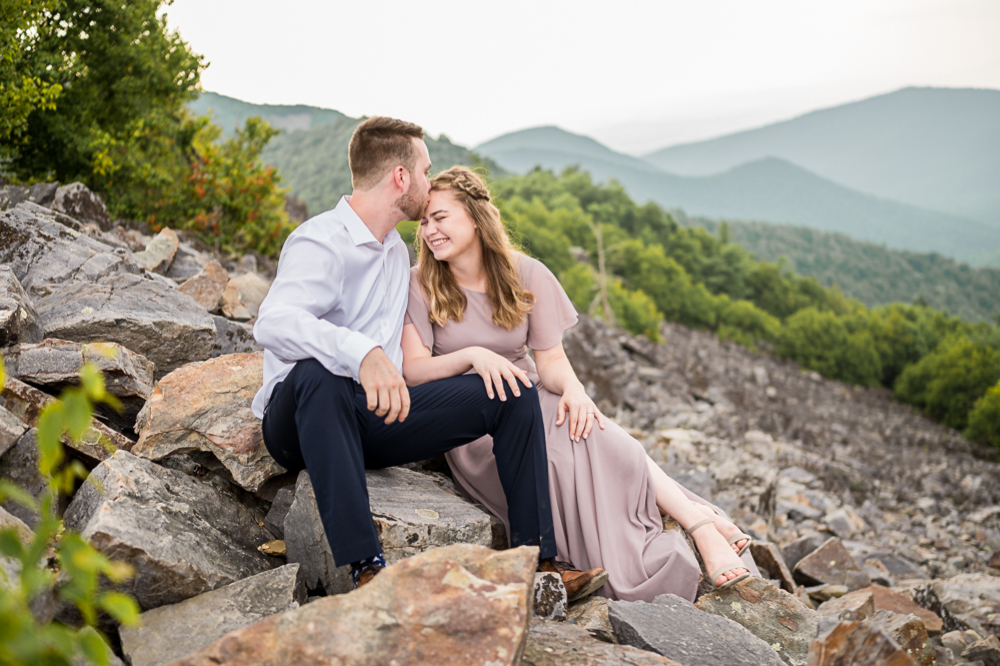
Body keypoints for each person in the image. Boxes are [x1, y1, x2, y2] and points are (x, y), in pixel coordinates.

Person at [251, 118, 605, 596]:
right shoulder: (321, 241)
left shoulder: (398, 255)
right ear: (401, 177)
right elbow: (272, 322)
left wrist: (469, 359)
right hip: (300, 422)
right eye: (424, 170)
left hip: (375, 416)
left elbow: (414, 362)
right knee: (322, 372)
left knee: (510, 389)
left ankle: (539, 563)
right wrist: (362, 353)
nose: (428, 181)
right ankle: (367, 570)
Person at [401, 166, 760, 601]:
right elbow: (414, 370)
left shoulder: (527, 274)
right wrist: (473, 357)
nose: (430, 231)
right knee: (558, 465)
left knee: (607, 438)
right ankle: (653, 543)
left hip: (531, 396)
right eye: (424, 222)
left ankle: (700, 524)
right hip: (475, 423)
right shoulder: (420, 282)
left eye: (440, 217)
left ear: (476, 217)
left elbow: (550, 360)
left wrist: (574, 390)